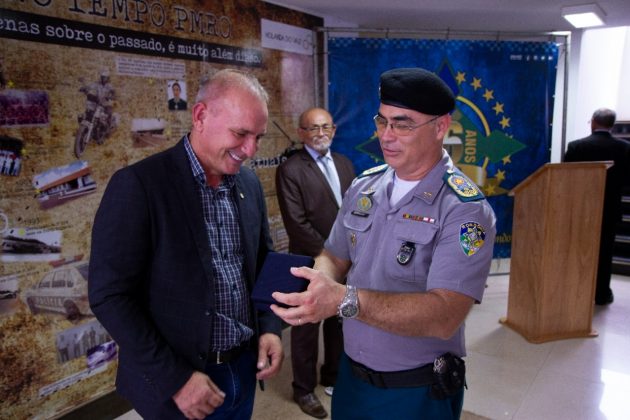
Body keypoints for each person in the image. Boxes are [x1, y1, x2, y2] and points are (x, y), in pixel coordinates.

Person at [270, 67, 496, 420]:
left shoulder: (465, 210)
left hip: (415, 389)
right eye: (382, 121)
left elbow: (445, 315)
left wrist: (343, 300)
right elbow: (334, 254)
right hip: (351, 377)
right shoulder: (365, 186)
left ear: (440, 127)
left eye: (402, 125)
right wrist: (319, 283)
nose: (386, 136)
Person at [89, 69, 284, 419]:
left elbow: (262, 261)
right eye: (241, 133)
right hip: (178, 382)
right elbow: (109, 295)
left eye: (258, 137)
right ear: (200, 116)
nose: (251, 150)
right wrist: (175, 378)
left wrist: (269, 328)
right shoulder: (139, 185)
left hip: (243, 366)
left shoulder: (249, 184)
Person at [275, 108, 355, 418]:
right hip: (310, 261)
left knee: (339, 319)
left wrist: (349, 253)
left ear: (333, 129)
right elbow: (297, 224)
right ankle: (303, 389)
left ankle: (332, 375)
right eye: (313, 128)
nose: (321, 133)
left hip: (346, 259)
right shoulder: (290, 170)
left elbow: (355, 211)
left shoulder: (345, 163)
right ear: (301, 133)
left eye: (325, 127)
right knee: (306, 326)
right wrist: (331, 257)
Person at [564, 108, 630, 305]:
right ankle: (601, 293)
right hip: (610, 208)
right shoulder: (624, 148)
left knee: (578, 250)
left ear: (593, 122)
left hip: (581, 209)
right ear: (612, 125)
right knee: (605, 251)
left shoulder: (576, 147)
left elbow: (565, 178)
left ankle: (577, 291)